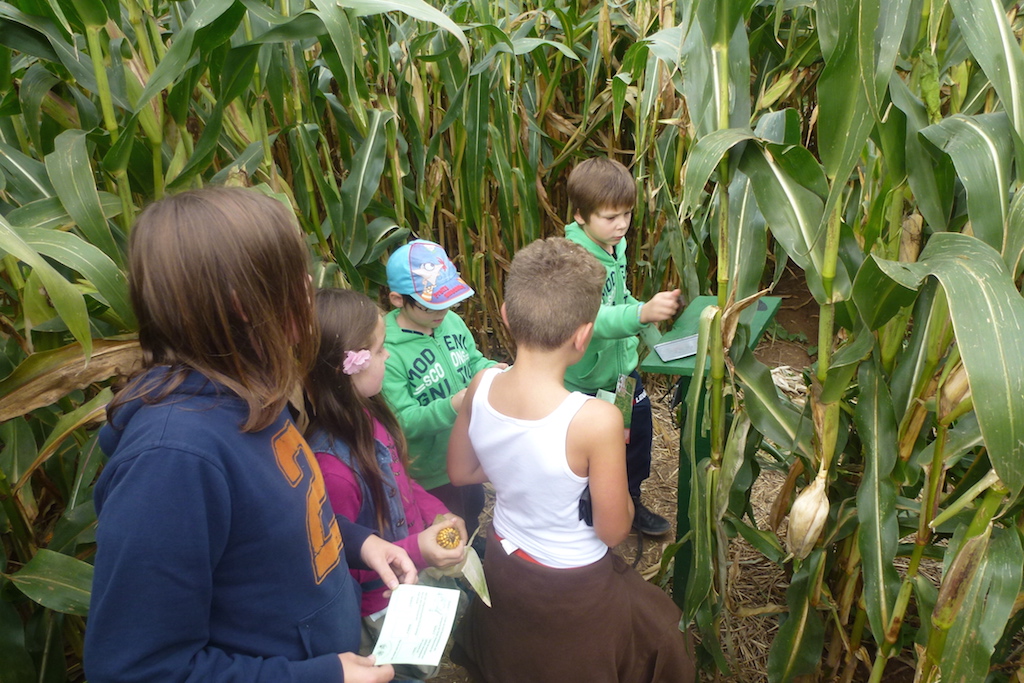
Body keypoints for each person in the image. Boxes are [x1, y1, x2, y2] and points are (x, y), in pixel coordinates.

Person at [85, 187, 417, 683]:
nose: (309, 286)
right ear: (245, 304)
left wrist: (357, 541)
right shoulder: (172, 462)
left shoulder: (249, 392)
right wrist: (324, 676)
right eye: (293, 276)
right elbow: (138, 669)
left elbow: (271, 523)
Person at [447, 237, 694, 682]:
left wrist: (523, 469)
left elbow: (460, 471)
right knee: (664, 634)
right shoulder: (594, 421)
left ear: (505, 316)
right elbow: (614, 529)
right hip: (574, 584)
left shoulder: (482, 383)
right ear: (584, 336)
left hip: (504, 562)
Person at [305, 287, 468, 679]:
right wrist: (420, 550)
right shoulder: (334, 468)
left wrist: (437, 512)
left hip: (408, 581)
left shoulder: (369, 414)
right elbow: (344, 564)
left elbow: (401, 485)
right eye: (379, 351)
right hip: (381, 607)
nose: (388, 355)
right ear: (351, 365)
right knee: (402, 672)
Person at [563, 157, 681, 536]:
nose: (622, 225)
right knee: (591, 452)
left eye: (627, 214)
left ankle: (630, 502)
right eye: (610, 217)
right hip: (587, 379)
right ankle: (588, 513)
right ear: (581, 216)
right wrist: (641, 314)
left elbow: (620, 296)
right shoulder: (575, 261)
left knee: (636, 438)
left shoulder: (616, 246)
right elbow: (591, 321)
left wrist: (640, 317)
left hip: (622, 374)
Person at [382, 239, 503, 536]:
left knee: (472, 506)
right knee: (447, 525)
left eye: (448, 302)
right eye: (430, 305)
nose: (442, 312)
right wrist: (453, 405)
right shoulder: (387, 350)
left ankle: (473, 546)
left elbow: (471, 360)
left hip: (468, 450)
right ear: (398, 300)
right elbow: (402, 420)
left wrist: (489, 370)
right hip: (430, 471)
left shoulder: (451, 323)